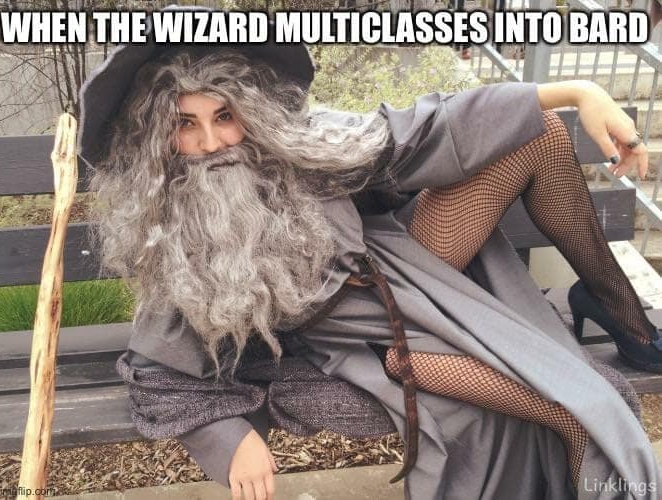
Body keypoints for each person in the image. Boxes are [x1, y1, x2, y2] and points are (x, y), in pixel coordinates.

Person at [77, 5, 662, 500]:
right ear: (156, 135)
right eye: (186, 124)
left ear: (251, 110)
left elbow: (425, 128)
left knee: (541, 130)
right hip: (377, 347)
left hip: (416, 273)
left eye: (224, 116)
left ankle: (618, 310)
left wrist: (582, 90)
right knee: (578, 407)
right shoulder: (175, 219)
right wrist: (231, 439)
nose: (211, 142)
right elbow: (156, 370)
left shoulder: (298, 143)